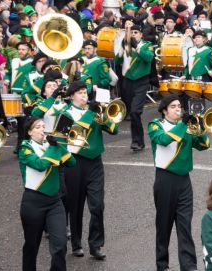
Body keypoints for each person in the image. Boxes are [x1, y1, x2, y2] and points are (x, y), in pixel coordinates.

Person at [148, 95, 210, 271]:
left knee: (185, 225)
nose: (178, 109)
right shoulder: (155, 125)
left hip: (184, 181)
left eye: (180, 106)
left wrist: (201, 130)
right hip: (165, 180)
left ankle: (189, 266)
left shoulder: (187, 127)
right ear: (164, 110)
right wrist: (184, 125)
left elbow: (204, 146)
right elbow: (164, 140)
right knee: (164, 226)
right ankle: (162, 265)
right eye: (174, 107)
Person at [61, 81, 119, 260]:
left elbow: (114, 130)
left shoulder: (94, 111)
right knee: (75, 206)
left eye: (85, 93)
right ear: (71, 96)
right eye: (79, 93)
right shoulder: (66, 113)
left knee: (97, 205)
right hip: (74, 162)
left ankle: (96, 245)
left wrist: (105, 117)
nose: (84, 96)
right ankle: (76, 244)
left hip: (95, 162)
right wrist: (90, 113)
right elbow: (74, 135)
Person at [18, 117, 76, 271]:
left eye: (44, 126)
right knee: (32, 245)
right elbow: (40, 165)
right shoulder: (25, 148)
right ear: (30, 132)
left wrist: (59, 146)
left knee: (60, 244)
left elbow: (72, 163)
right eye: (38, 127)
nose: (42, 129)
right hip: (33, 202)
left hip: (55, 201)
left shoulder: (50, 145)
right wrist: (53, 147)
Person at [114, 25, 153, 152]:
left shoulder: (146, 45)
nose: (133, 34)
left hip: (141, 81)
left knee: (136, 111)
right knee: (132, 113)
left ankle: (138, 141)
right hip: (127, 81)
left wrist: (137, 46)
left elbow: (148, 58)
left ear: (141, 34)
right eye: (131, 32)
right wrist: (121, 47)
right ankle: (136, 141)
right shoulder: (126, 45)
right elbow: (117, 61)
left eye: (136, 32)